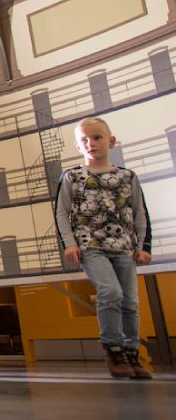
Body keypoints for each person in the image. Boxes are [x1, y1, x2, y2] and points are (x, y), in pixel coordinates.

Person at [56, 117, 153, 379]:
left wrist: (143, 245)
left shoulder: (127, 176)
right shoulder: (72, 177)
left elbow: (139, 212)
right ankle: (113, 348)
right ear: (78, 146)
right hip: (91, 245)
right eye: (84, 140)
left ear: (111, 141)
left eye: (97, 138)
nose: (91, 144)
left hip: (123, 247)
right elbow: (62, 214)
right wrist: (70, 243)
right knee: (110, 292)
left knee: (130, 302)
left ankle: (131, 352)